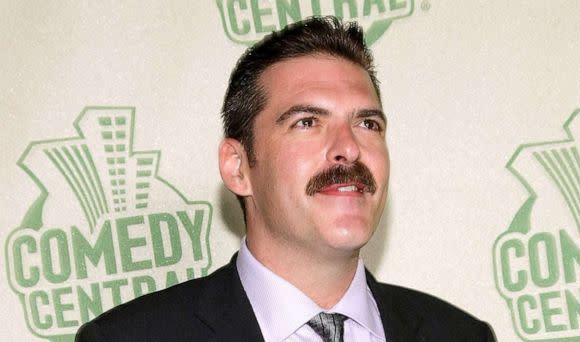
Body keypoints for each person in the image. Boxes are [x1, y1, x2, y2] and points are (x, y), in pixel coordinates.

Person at [76, 16, 496, 341]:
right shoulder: (129, 338)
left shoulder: (461, 335)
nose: (348, 147)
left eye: (367, 124)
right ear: (238, 167)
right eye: (308, 122)